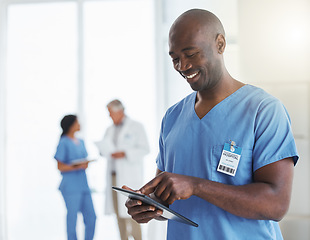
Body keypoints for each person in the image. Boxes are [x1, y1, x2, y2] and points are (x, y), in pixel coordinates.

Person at [123, 9, 299, 240]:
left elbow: (276, 204)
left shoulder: (263, 110)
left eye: (191, 54)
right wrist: (149, 206)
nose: (182, 66)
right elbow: (168, 196)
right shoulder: (173, 117)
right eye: (175, 58)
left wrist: (196, 186)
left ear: (220, 44)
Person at [97, 99, 150, 240]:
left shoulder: (136, 127)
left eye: (110, 113)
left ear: (119, 111)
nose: (109, 116)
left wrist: (125, 153)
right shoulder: (109, 130)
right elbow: (104, 149)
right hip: (113, 176)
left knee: (133, 212)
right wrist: (103, 151)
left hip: (129, 177)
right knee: (117, 212)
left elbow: (145, 148)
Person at [54, 114, 96, 240]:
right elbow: (60, 166)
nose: (79, 124)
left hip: (84, 185)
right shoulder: (63, 142)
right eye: (77, 122)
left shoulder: (81, 141)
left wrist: (85, 164)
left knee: (92, 217)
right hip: (70, 186)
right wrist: (77, 167)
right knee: (72, 218)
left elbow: (84, 160)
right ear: (71, 125)